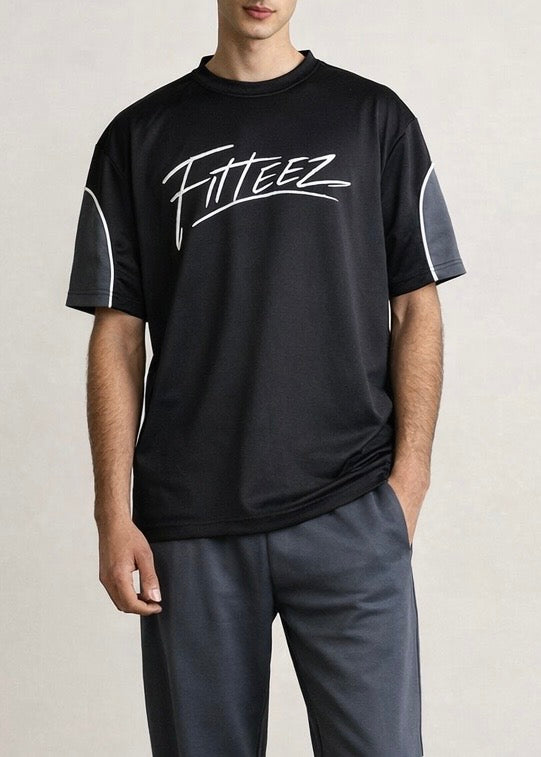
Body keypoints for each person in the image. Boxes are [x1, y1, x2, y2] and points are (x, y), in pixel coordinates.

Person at [65, 1, 467, 754]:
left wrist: (407, 485)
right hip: (191, 526)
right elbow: (116, 334)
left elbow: (417, 304)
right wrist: (110, 513)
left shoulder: (373, 120)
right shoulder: (138, 137)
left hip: (350, 509)